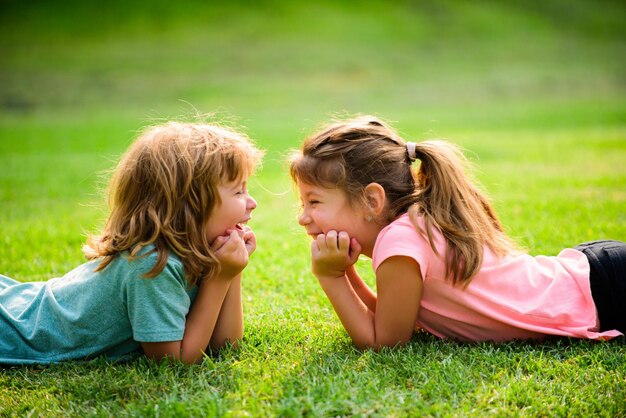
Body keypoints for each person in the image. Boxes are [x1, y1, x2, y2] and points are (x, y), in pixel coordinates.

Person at [290, 115, 625, 350]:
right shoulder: (410, 229)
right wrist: (345, 271)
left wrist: (332, 278)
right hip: (593, 273)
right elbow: (393, 316)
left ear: (372, 200)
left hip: (607, 292)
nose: (303, 218)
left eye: (314, 201)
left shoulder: (400, 240)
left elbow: (384, 343)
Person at [0, 120, 263, 364]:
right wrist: (218, 279)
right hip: (15, 331)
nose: (252, 203)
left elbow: (225, 345)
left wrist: (230, 274)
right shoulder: (151, 263)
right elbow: (172, 362)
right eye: (238, 191)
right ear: (190, 205)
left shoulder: (201, 249)